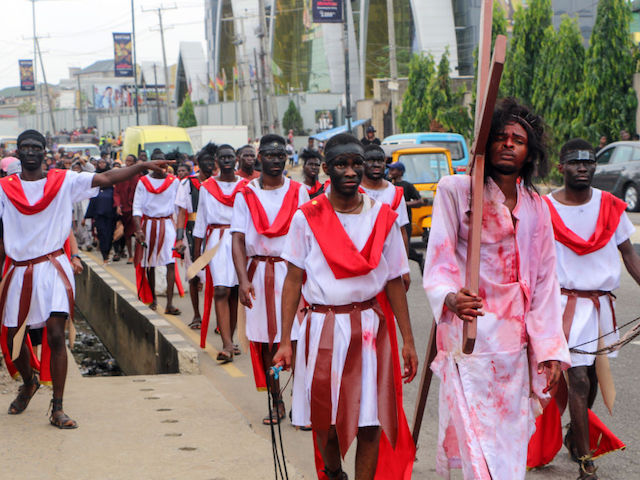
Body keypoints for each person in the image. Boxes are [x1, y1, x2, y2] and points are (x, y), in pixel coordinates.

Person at [422, 98, 570, 479]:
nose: (508, 144)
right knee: (477, 448)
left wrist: (549, 349)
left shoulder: (537, 207)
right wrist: (450, 298)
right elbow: (438, 261)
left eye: (518, 140)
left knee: (508, 447)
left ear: (529, 153)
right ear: (486, 144)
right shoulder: (456, 190)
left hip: (513, 349)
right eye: (501, 137)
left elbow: (543, 284)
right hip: (469, 342)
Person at [0, 129, 170, 429]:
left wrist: (141, 167)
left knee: (56, 335)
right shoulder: (4, 187)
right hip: (19, 269)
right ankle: (29, 382)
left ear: (43, 152)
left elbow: (107, 179)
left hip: (52, 267)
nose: (29, 152)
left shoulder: (63, 180)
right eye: (23, 147)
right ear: (17, 152)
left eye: (35, 147)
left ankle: (58, 407)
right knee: (14, 335)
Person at [274, 133, 418, 480]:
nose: (352, 170)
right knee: (327, 420)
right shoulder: (306, 218)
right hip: (323, 327)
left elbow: (395, 280)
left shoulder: (383, 217)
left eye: (356, 163)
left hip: (370, 327)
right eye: (342, 164)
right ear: (326, 169)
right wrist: (283, 341)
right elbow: (293, 281)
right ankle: (335, 472)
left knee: (372, 419)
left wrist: (408, 340)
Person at [535, 139, 640, 479]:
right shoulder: (544, 209)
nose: (583, 167)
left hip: (599, 308)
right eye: (575, 162)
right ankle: (586, 462)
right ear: (560, 167)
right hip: (563, 305)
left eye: (589, 162)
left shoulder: (611, 206)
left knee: (591, 377)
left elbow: (629, 254)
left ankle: (573, 434)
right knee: (577, 378)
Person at [231, 134, 310, 425]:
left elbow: (308, 237)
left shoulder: (300, 191)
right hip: (259, 273)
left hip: (292, 272)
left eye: (281, 156)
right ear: (259, 157)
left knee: (298, 338)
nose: (276, 160)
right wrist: (242, 279)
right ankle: (275, 401)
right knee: (265, 342)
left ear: (286, 159)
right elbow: (238, 238)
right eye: (270, 155)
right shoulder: (245, 193)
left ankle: (301, 405)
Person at [193, 144, 248, 362]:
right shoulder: (207, 187)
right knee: (221, 289)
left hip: (239, 240)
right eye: (222, 157)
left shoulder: (246, 186)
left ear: (236, 160)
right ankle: (225, 343)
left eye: (230, 157)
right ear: (216, 160)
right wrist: (198, 255)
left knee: (235, 292)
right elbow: (201, 221)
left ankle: (231, 339)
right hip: (216, 241)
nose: (226, 161)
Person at [132, 149, 181, 314]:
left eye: (163, 162)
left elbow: (178, 207)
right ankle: (153, 299)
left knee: (170, 263)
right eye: (156, 162)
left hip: (167, 225)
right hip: (149, 225)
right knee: (150, 264)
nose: (160, 165)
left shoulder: (174, 182)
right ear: (151, 165)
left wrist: (180, 232)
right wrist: (138, 229)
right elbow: (137, 207)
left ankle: (169, 303)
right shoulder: (143, 182)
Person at [175, 143, 217, 330]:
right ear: (198, 163)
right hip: (193, 230)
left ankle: (218, 319)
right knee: (194, 275)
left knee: (217, 277)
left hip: (214, 230)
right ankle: (197, 315)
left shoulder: (218, 182)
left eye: (211, 160)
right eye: (205, 161)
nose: (209, 164)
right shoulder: (187, 183)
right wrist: (179, 238)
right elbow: (182, 212)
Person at [361, 145, 411, 286]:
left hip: (389, 263)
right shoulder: (354, 191)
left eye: (380, 161)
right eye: (371, 161)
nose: (376, 165)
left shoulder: (395, 193)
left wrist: (404, 268)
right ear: (362, 163)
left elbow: (402, 232)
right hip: (360, 263)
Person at [387, 161, 427, 267]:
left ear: (400, 172)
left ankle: (417, 258)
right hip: (390, 221)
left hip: (405, 222)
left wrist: (404, 203)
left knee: (404, 246)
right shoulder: (387, 185)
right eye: (390, 169)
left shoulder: (407, 186)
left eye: (393, 169)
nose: (390, 171)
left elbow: (420, 201)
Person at [84, 159, 116, 264]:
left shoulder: (112, 185)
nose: (102, 164)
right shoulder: (95, 181)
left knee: (110, 234)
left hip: (111, 215)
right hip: (99, 215)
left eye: (104, 162)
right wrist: (87, 217)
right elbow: (92, 202)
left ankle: (108, 250)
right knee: (102, 234)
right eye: (100, 163)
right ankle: (105, 256)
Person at [113, 154, 140, 263]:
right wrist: (118, 205)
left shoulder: (138, 176)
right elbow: (117, 192)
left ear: (134, 163)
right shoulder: (122, 175)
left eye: (130, 161)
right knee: (128, 234)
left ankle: (138, 254)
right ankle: (130, 255)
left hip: (136, 208)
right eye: (127, 161)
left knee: (138, 232)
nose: (128, 163)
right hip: (125, 209)